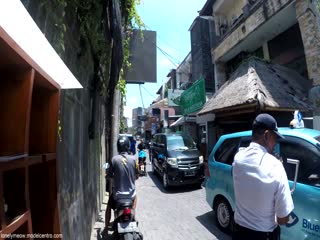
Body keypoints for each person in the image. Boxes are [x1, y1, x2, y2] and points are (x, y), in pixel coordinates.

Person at [232, 113, 294, 240]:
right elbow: (283, 219)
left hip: (238, 233)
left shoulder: (238, 158)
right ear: (266, 135)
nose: (275, 143)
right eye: (274, 138)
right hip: (263, 236)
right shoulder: (275, 166)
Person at [104, 135, 139, 231]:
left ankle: (106, 226)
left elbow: (109, 175)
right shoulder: (134, 159)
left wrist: (107, 176)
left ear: (118, 146)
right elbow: (137, 176)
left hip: (117, 197)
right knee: (136, 196)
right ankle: (133, 215)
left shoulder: (114, 159)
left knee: (108, 206)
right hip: (130, 197)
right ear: (128, 145)